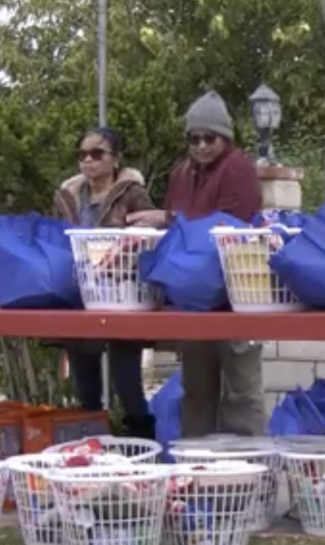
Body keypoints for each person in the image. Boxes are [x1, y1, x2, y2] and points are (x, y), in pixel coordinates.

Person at [160, 90, 266, 438]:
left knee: (241, 392)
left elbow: (232, 227)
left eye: (210, 138)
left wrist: (175, 222)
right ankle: (197, 473)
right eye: (194, 138)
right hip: (195, 298)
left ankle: (249, 474)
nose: (202, 145)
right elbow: (178, 226)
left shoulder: (239, 168)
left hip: (238, 294)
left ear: (226, 137)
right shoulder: (182, 173)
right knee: (196, 391)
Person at [53, 127, 163, 440]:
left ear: (115, 159)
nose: (88, 160)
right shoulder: (67, 198)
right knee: (84, 379)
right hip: (82, 295)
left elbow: (148, 237)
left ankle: (140, 446)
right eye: (82, 154)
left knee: (126, 378)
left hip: (124, 292)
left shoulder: (132, 193)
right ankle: (92, 445)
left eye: (97, 153)